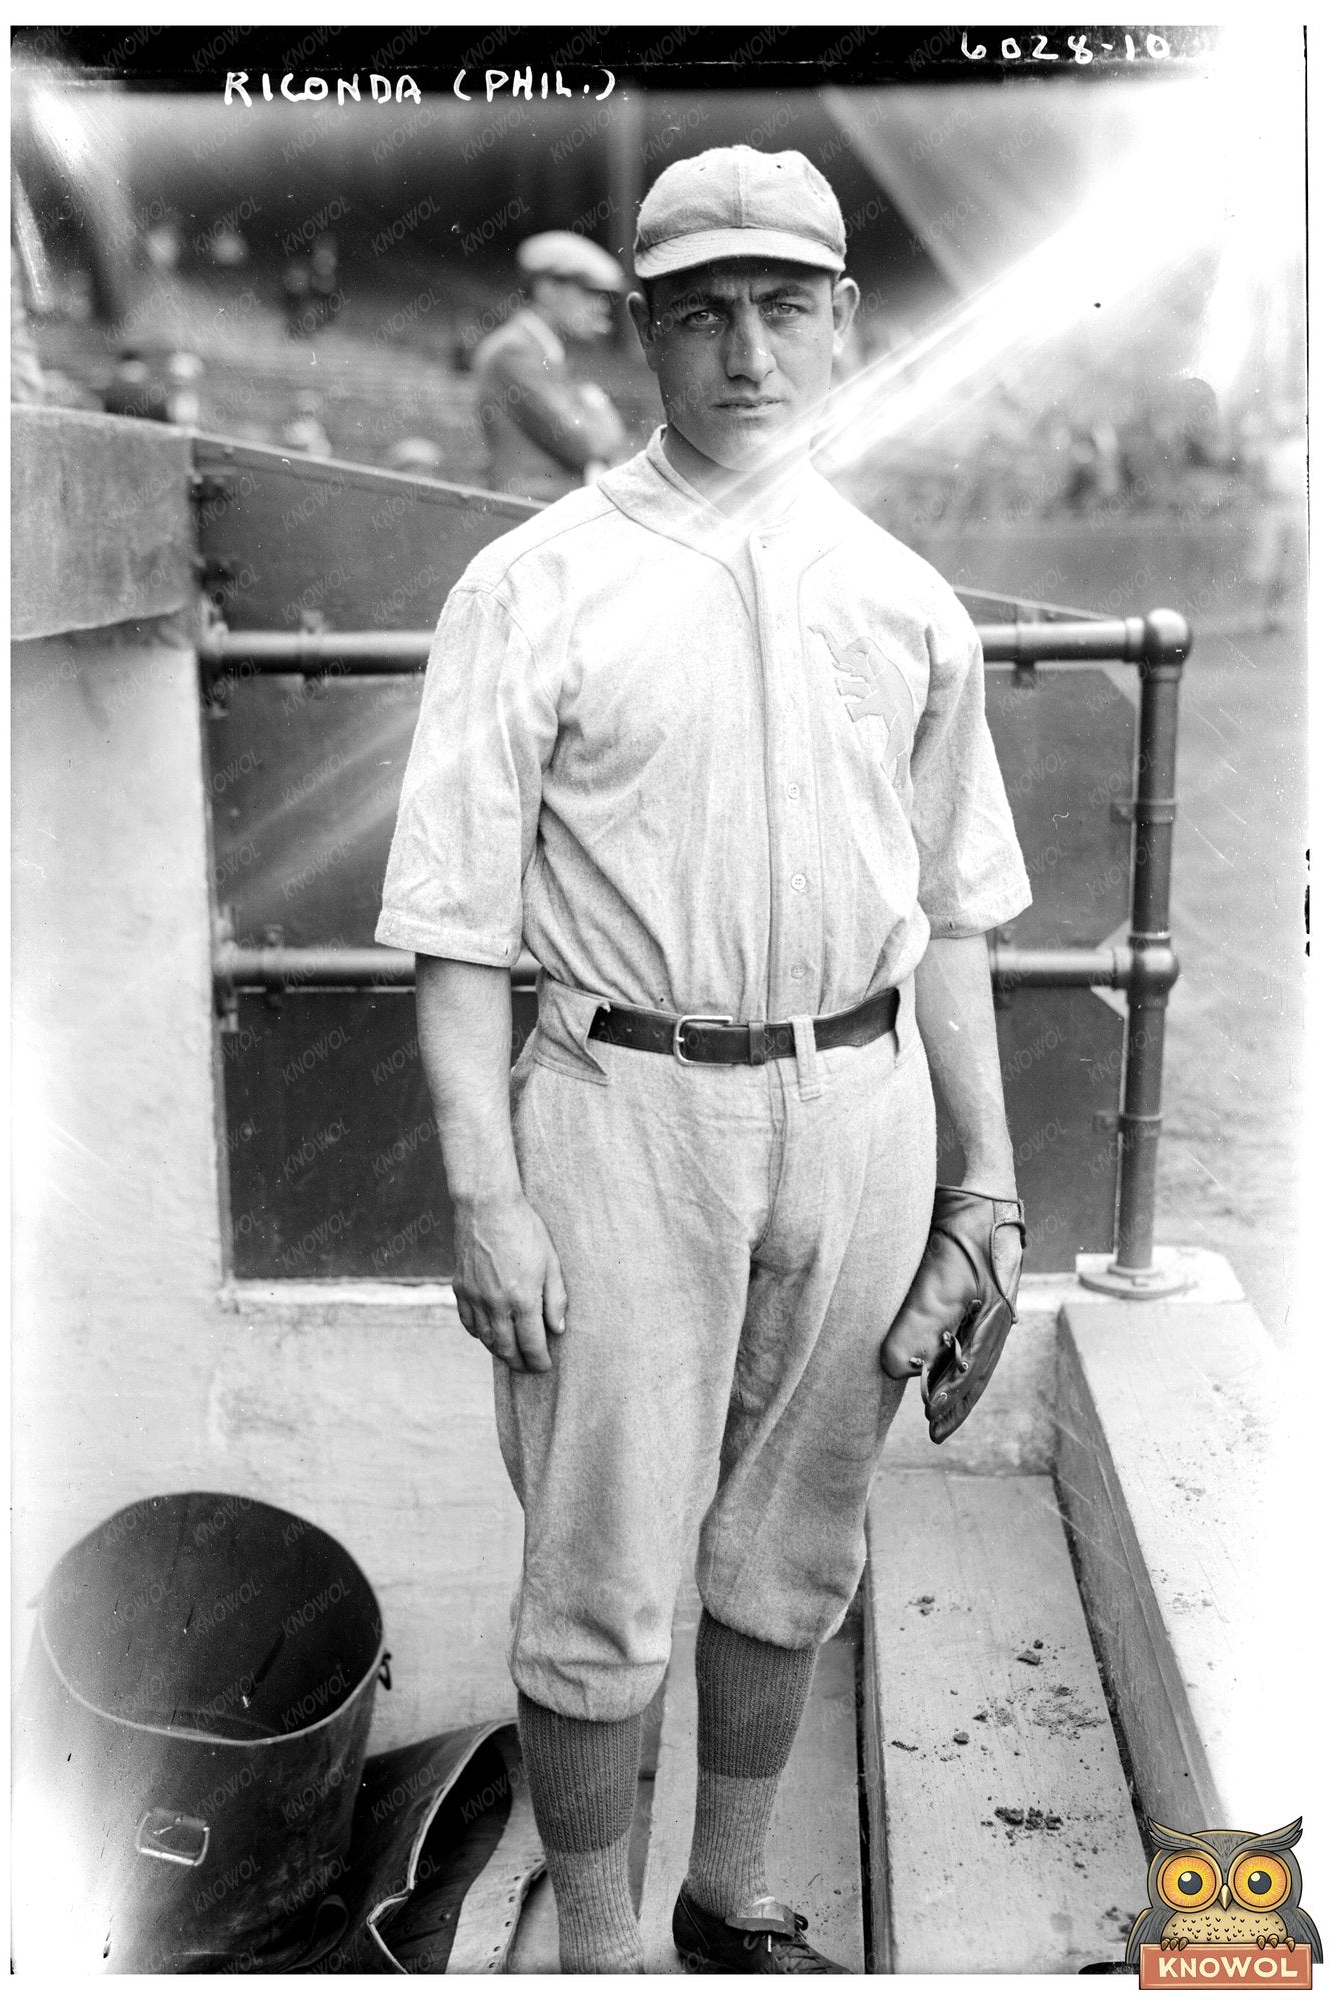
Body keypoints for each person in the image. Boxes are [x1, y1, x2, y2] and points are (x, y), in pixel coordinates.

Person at [377, 145, 1031, 1974]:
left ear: (843, 325)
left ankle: (725, 1899)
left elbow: (954, 914)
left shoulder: (904, 596)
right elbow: (454, 932)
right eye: (704, 314)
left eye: (783, 309)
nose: (748, 352)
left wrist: (983, 1184)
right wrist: (486, 1198)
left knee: (796, 1549)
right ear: (647, 334)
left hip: (863, 1105)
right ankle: (600, 1952)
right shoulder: (532, 583)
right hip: (621, 1109)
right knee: (596, 1580)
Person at [472, 230, 629, 500]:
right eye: (589, 292)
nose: (602, 306)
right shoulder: (515, 351)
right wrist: (598, 405)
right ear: (546, 289)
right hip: (524, 511)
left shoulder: (547, 352)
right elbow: (587, 444)